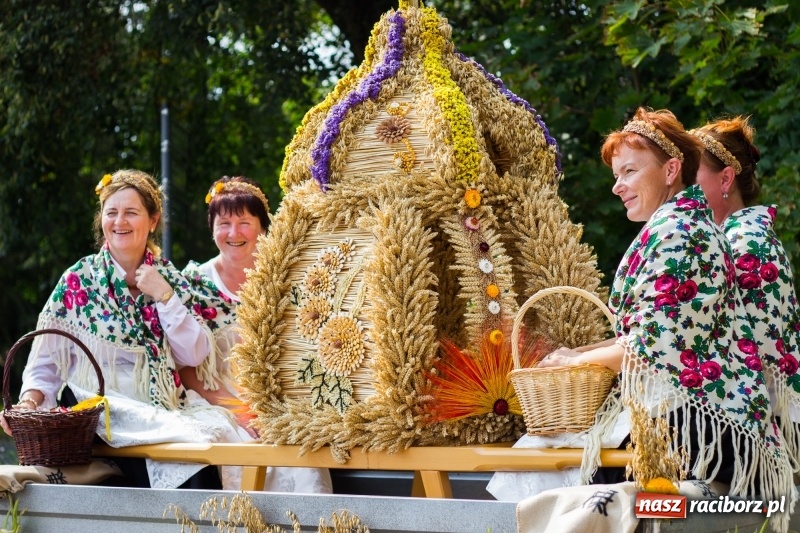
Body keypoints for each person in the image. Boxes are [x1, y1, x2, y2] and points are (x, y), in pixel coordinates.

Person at [536, 108, 794, 504]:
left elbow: (658, 345)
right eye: (616, 176)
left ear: (672, 170)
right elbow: (653, 330)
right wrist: (578, 354)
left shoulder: (687, 231)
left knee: (551, 465)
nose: (617, 187)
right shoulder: (679, 226)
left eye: (629, 173)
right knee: (551, 459)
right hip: (719, 417)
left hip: (710, 424)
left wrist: (572, 362)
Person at [0, 169, 248, 490]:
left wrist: (164, 296)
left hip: (164, 408)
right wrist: (29, 403)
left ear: (153, 220)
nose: (120, 222)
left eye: (131, 212)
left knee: (220, 445)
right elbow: (45, 364)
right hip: (102, 413)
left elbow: (194, 353)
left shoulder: (168, 277)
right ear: (101, 219)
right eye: (112, 212)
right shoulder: (79, 280)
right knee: (192, 459)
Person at [181, 175, 332, 493]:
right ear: (212, 229)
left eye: (244, 222)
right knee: (244, 464)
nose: (234, 233)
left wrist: (278, 413)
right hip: (218, 404)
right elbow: (185, 369)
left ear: (263, 226)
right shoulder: (194, 283)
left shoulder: (286, 279)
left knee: (307, 473)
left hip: (283, 404)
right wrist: (241, 413)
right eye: (224, 223)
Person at [693, 116, 800, 467]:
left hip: (764, 432)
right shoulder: (734, 237)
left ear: (726, 179)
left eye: (692, 174)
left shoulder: (745, 244)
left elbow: (724, 346)